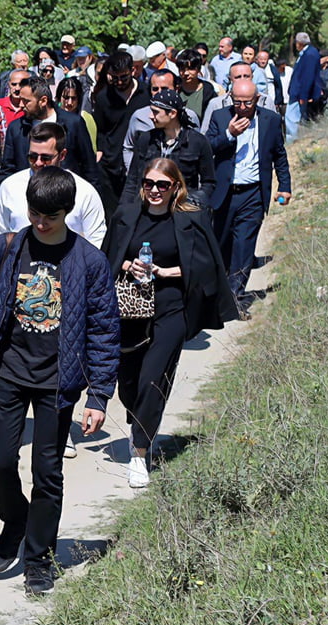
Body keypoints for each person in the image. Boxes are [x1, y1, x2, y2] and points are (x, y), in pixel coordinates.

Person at [0, 167, 119, 594]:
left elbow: (104, 330)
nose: (41, 223)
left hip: (58, 383)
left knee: (47, 472)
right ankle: (15, 521)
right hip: (9, 374)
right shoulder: (6, 248)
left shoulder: (88, 261)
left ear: (68, 212)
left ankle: (39, 557)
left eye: (50, 216)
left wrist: (99, 396)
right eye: (34, 213)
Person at [102, 159, 237, 488]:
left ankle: (139, 452)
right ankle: (142, 422)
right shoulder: (126, 216)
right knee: (129, 383)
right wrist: (128, 265)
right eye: (149, 183)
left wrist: (166, 272)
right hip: (131, 308)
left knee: (152, 380)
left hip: (171, 308)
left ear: (176, 186)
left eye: (163, 185)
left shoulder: (191, 219)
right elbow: (109, 258)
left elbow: (205, 268)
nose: (155, 191)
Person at [206, 79, 292, 316]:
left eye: (247, 102)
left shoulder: (271, 120)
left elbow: (279, 155)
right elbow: (207, 147)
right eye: (237, 102)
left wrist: (284, 186)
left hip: (253, 194)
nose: (242, 107)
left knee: (244, 247)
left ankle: (235, 298)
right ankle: (217, 296)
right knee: (221, 246)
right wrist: (229, 134)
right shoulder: (221, 117)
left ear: (257, 100)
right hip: (224, 194)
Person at [0, 122, 106, 248]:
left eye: (46, 158)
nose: (38, 163)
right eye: (32, 157)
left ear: (62, 155)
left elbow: (96, 241)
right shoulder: (10, 187)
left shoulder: (85, 192)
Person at [0, 77, 103, 193]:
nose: (21, 105)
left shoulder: (73, 123)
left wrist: (94, 194)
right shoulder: (16, 128)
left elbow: (89, 166)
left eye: (26, 101)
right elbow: (8, 169)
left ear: (43, 101)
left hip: (66, 195)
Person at [122, 89, 215, 208]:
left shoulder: (197, 142)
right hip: (148, 207)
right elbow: (132, 179)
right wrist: (125, 209)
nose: (151, 116)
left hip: (181, 209)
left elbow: (209, 182)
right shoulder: (146, 139)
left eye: (155, 112)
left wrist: (192, 202)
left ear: (172, 113)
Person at [93, 51, 151, 216]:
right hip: (111, 163)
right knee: (112, 213)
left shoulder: (146, 93)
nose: (119, 82)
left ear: (133, 71)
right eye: (115, 77)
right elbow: (100, 130)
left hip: (140, 161)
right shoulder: (104, 97)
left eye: (123, 77)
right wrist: (101, 151)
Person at [120, 70, 200, 177]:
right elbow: (128, 147)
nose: (159, 92)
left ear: (176, 89)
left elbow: (198, 150)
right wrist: (134, 173)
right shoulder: (139, 116)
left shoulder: (190, 116)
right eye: (155, 89)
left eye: (164, 89)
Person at [200, 61, 275, 133]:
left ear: (252, 77)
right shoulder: (217, 104)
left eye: (246, 76)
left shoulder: (265, 101)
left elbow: (273, 130)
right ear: (230, 79)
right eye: (238, 77)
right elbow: (206, 135)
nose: (242, 79)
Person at [287, 32, 325, 140]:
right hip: (298, 93)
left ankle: (292, 142)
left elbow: (307, 77)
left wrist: (303, 96)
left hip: (299, 94)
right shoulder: (306, 53)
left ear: (299, 43)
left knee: (291, 119)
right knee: (296, 118)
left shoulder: (310, 55)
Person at [56, 76, 98, 153]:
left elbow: (91, 150)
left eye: (73, 98)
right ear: (58, 98)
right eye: (66, 97)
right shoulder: (53, 117)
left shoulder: (85, 118)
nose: (69, 103)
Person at [176, 48, 220, 122]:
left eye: (191, 69)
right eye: (182, 69)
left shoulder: (208, 91)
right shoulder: (174, 87)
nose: (186, 73)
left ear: (198, 69)